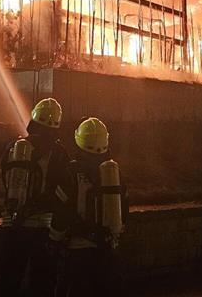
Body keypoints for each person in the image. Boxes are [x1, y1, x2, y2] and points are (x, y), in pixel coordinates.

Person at [0, 97, 71, 296]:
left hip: (14, 222)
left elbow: (5, 177)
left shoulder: (14, 147)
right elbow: (65, 190)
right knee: (43, 281)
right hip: (43, 227)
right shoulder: (59, 153)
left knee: (8, 277)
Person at [53, 117, 127, 297]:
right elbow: (124, 211)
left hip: (78, 252)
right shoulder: (115, 174)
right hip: (108, 251)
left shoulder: (71, 172)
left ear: (79, 141)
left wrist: (53, 239)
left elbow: (61, 212)